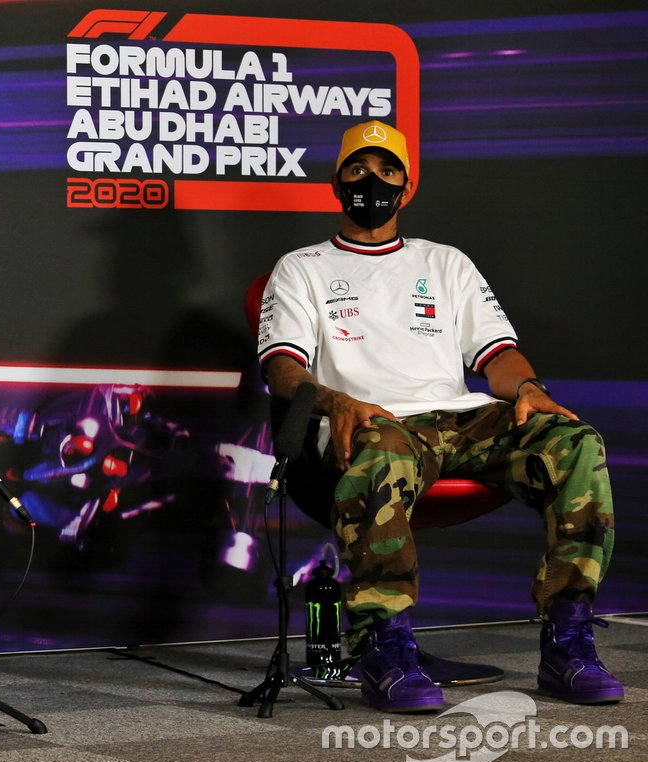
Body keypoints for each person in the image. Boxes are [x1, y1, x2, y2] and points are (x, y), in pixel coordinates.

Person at [256, 120, 619, 713]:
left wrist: (527, 386)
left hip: (461, 420)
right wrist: (336, 401)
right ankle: (384, 646)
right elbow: (283, 371)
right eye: (357, 170)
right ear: (335, 183)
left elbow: (496, 355)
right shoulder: (302, 267)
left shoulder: (445, 262)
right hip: (375, 423)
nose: (372, 181)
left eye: (387, 171)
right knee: (383, 449)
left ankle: (568, 639)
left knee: (575, 442)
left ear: (407, 187)